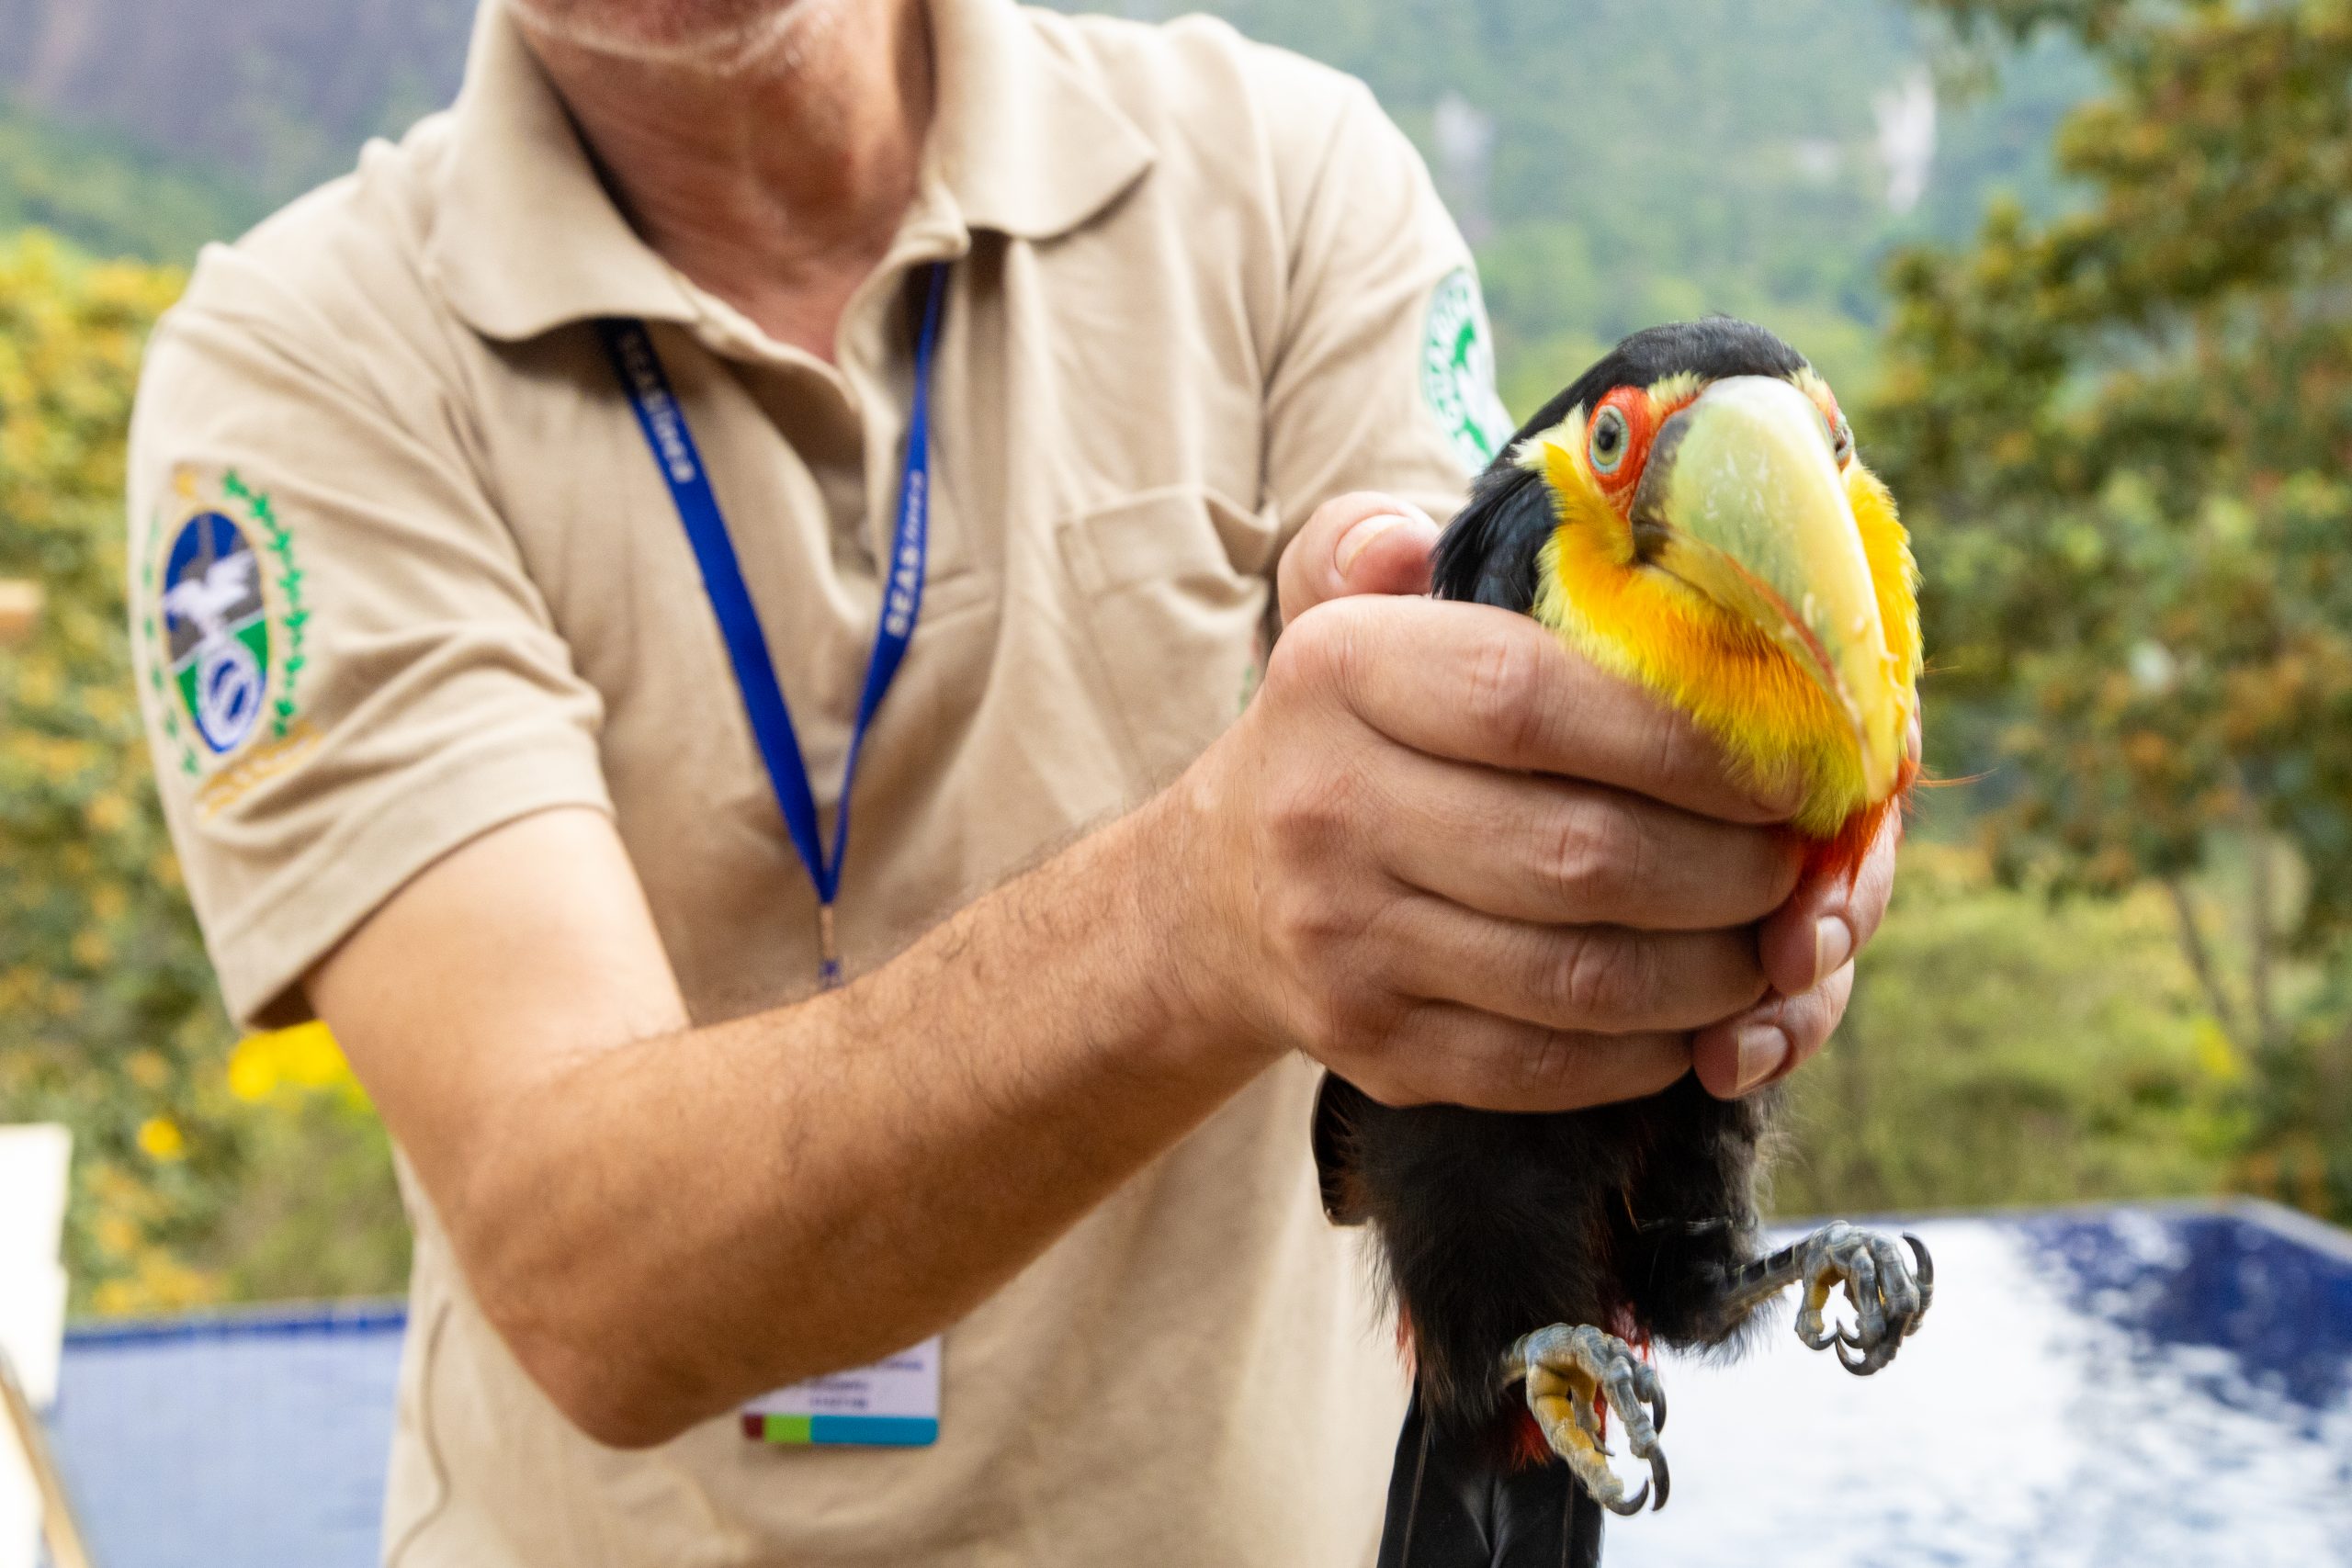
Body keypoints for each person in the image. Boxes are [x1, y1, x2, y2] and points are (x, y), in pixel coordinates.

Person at [126, 0, 1899, 1562]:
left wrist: (1686, 837)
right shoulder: (302, 360)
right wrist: (1204, 907)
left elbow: (1484, 730)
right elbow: (582, 1272)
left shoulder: (1285, 185)